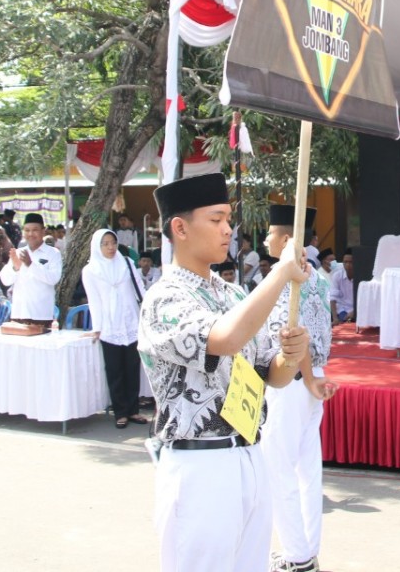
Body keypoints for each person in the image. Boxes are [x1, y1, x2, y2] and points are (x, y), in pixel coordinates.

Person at [138, 172, 311, 572]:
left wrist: (292, 354)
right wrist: (280, 273)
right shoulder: (164, 299)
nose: (227, 230)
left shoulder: (232, 293)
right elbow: (226, 339)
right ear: (179, 228)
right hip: (200, 466)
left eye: (228, 220)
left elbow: (272, 374)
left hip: (249, 453)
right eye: (216, 220)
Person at [262, 205, 338, 572]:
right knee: (307, 469)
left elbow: (294, 335)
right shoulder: (318, 275)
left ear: (287, 239)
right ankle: (307, 547)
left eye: (270, 233)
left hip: (293, 377)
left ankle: (296, 554)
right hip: (313, 376)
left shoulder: (288, 277)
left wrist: (307, 376)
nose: (265, 240)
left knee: (278, 467)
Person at [83, 229, 149, 429]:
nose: (110, 247)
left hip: (131, 322)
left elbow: (141, 289)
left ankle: (133, 409)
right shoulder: (90, 270)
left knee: (132, 368)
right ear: (97, 246)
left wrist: (148, 312)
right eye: (105, 244)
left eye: (113, 243)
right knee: (114, 370)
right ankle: (120, 411)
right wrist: (97, 327)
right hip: (110, 326)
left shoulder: (127, 263)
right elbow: (93, 301)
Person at [0, 212, 63, 327]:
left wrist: (31, 264)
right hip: (19, 313)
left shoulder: (53, 253)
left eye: (35, 230)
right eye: (27, 230)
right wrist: (15, 268)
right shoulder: (18, 252)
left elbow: (53, 279)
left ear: (43, 231)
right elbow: (5, 280)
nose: (31, 234)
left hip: (41, 315)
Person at [328, 249, 354, 324]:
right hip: (343, 310)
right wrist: (335, 318)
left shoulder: (361, 276)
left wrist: (354, 312)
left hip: (358, 311)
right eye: (345, 262)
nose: (348, 265)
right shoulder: (337, 276)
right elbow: (332, 298)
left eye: (350, 262)